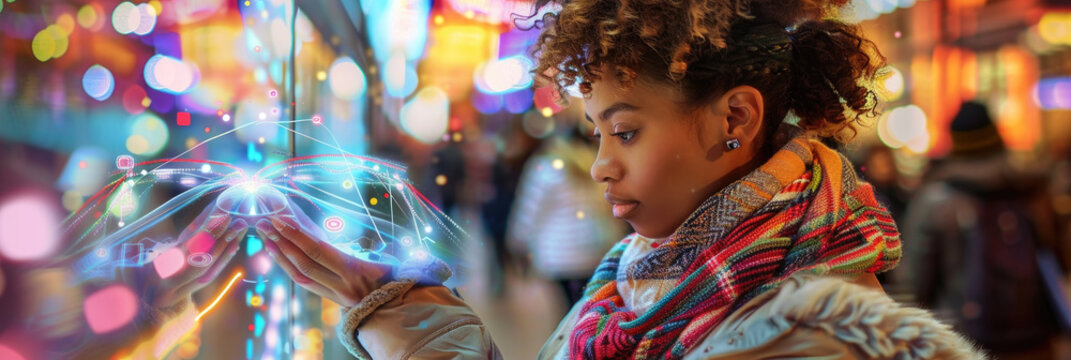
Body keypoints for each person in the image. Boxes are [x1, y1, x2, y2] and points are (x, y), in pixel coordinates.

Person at [257, 0, 985, 358]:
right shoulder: (640, 281)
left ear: (733, 116)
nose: (603, 164)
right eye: (597, 133)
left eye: (626, 131)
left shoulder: (808, 342)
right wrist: (409, 317)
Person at [902, 101, 1066, 359]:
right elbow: (1058, 257)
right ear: (996, 136)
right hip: (1035, 338)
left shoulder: (935, 200)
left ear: (955, 143)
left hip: (965, 342)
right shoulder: (1031, 189)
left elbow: (914, 285)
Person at [507, 122, 629, 308]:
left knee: (568, 309)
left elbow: (530, 210)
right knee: (592, 305)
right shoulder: (597, 164)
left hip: (559, 253)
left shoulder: (546, 167)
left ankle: (575, 335)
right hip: (597, 247)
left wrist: (518, 241)